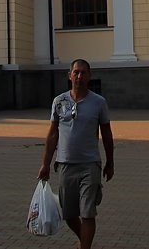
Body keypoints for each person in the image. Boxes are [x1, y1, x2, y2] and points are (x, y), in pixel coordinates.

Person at [37, 59, 115, 249]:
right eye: (76, 72)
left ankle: (85, 246)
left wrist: (110, 162)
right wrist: (45, 164)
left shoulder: (98, 102)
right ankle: (85, 242)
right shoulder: (60, 101)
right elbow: (52, 134)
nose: (79, 76)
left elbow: (106, 133)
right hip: (65, 164)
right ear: (69, 75)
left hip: (90, 165)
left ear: (89, 76)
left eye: (83, 73)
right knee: (69, 214)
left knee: (88, 212)